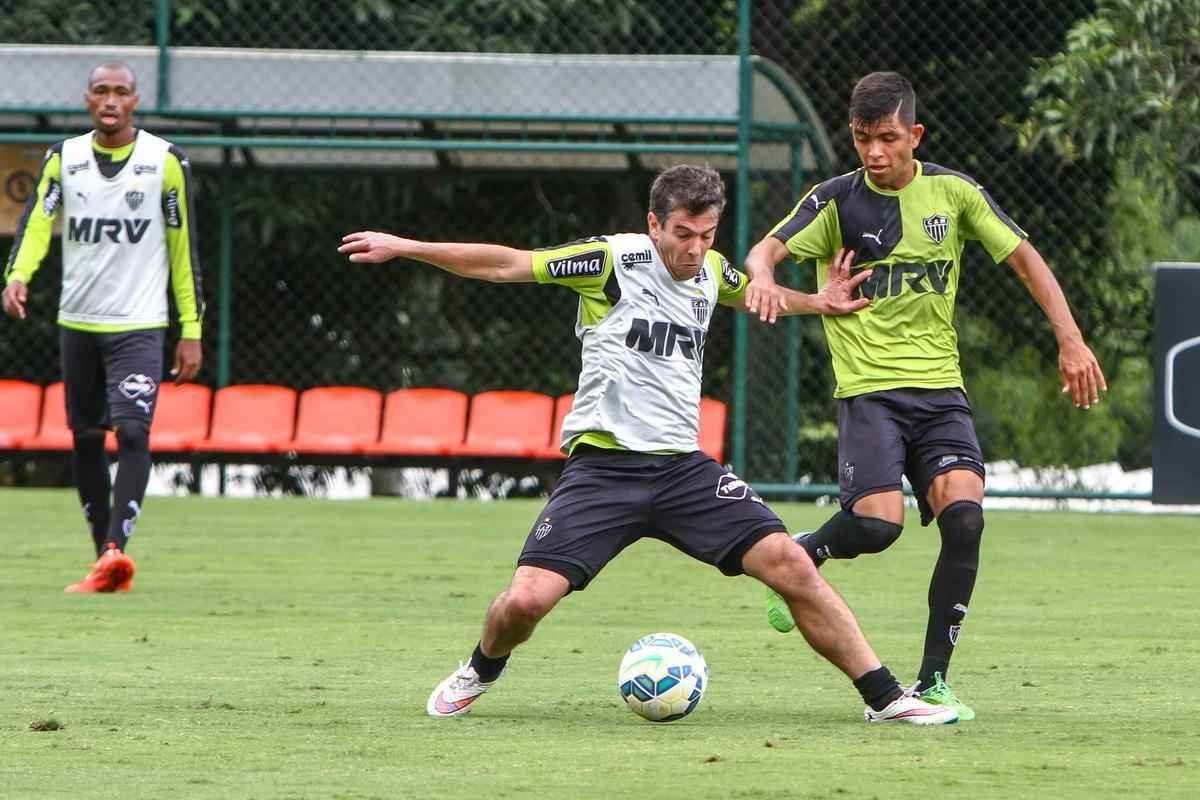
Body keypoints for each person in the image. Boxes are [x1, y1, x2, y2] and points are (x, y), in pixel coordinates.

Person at [339, 164, 958, 725]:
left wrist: (816, 302)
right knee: (525, 602)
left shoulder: (711, 270)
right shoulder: (611, 261)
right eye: (684, 233)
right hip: (603, 472)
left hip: (683, 471)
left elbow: (754, 294)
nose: (696, 249)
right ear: (654, 223)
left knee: (792, 565)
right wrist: (407, 247)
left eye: (708, 234)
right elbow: (509, 263)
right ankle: (480, 668)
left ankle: (884, 698)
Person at [744, 72, 1107, 721]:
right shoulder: (836, 201)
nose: (874, 152)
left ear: (913, 134)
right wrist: (767, 277)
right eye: (862, 138)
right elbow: (761, 251)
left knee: (966, 518)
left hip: (940, 391)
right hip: (870, 392)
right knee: (878, 527)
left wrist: (1071, 340)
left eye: (887, 138)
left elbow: (1027, 259)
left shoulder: (954, 193)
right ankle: (805, 553)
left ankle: (932, 682)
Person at [2, 62, 204, 592]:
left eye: (120, 91)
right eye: (100, 91)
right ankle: (104, 560)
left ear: (135, 101)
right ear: (87, 100)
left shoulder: (164, 162)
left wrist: (191, 329)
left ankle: (116, 548)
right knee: (87, 438)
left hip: (139, 325)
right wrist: (18, 277)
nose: (110, 100)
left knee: (133, 431)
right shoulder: (62, 159)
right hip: (78, 322)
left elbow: (185, 253)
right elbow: (37, 224)